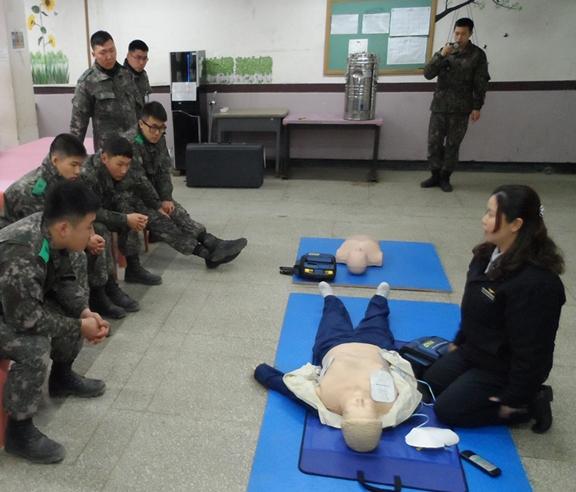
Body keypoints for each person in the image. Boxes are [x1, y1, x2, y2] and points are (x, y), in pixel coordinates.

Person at [422, 185, 565, 433]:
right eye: (486, 212)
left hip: (504, 367)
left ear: (516, 224)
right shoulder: (486, 256)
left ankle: (532, 404)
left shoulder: (536, 284)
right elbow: (474, 307)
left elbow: (533, 350)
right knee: (430, 384)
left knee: (447, 410)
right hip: (477, 350)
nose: (484, 220)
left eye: (491, 214)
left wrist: (516, 394)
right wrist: (460, 340)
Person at [0, 180, 109, 464]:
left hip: (12, 305)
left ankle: (62, 377)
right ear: (65, 228)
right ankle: (19, 432)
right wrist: (80, 327)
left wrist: (84, 313)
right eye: (89, 227)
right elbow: (26, 320)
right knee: (33, 346)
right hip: (11, 310)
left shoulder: (50, 230)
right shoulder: (23, 250)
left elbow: (64, 281)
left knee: (69, 309)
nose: (92, 233)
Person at [254, 282, 421, 453]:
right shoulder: (390, 404)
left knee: (331, 319)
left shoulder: (327, 403)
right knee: (378, 320)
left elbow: (290, 388)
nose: (360, 401)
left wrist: (261, 372)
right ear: (379, 417)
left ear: (342, 419)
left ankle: (329, 298)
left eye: (354, 408)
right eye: (367, 408)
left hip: (333, 345)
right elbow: (409, 387)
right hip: (375, 345)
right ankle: (380, 298)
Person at [0, 134, 138, 319]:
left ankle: (101, 291)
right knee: (76, 254)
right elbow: (45, 230)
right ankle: (77, 310)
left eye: (80, 165)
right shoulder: (32, 189)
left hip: (49, 235)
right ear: (55, 161)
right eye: (74, 165)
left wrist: (89, 236)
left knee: (99, 231)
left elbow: (77, 216)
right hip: (21, 248)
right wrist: (86, 241)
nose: (78, 171)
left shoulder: (66, 179)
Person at [123, 101, 247, 269]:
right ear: (141, 123)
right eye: (153, 127)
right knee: (163, 222)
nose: (157, 132)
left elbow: (163, 170)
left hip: (150, 193)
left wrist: (166, 198)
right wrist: (157, 205)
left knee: (177, 212)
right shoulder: (130, 143)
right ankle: (207, 254)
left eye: (162, 128)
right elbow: (139, 181)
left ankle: (213, 242)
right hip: (130, 197)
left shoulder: (158, 138)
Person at [420, 18, 490, 192]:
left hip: (461, 108)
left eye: (463, 34)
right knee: (434, 142)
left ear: (470, 33)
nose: (459, 37)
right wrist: (441, 55)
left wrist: (477, 107)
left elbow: (480, 83)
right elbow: (428, 74)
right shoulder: (445, 51)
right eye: (457, 33)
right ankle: (435, 174)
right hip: (439, 106)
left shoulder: (477, 55)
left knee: (453, 144)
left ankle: (445, 177)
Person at [70, 30, 139, 152]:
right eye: (103, 52)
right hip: (109, 153)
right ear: (94, 54)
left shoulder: (127, 74)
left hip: (134, 149)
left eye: (112, 50)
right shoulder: (88, 82)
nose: (109, 57)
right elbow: (78, 127)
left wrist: (142, 143)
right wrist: (73, 156)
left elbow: (140, 113)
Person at [124, 39, 152, 110]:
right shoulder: (120, 76)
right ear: (128, 56)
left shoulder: (143, 75)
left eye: (144, 58)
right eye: (138, 58)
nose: (142, 62)